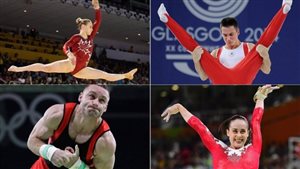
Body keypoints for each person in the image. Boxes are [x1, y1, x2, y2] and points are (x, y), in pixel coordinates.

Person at [158, 0, 293, 84]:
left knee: (262, 45)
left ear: (238, 32)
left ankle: (284, 9)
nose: (228, 38)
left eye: (231, 35)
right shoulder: (217, 52)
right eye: (225, 35)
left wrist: (265, 55)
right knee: (196, 50)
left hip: (243, 80)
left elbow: (266, 70)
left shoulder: (248, 47)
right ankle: (166, 19)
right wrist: (196, 61)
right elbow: (204, 77)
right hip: (221, 80)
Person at [8, 0, 137, 82]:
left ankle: (126, 75)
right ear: (83, 26)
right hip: (71, 64)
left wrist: (97, 8)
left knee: (105, 75)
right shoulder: (76, 37)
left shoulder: (91, 37)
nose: (92, 28)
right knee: (45, 68)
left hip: (82, 69)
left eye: (92, 27)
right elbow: (66, 46)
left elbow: (98, 21)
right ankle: (18, 69)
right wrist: (69, 54)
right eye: (90, 26)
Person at [161, 85, 280, 169]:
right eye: (235, 131)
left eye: (242, 131)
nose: (239, 135)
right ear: (228, 132)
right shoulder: (218, 148)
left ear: (248, 133)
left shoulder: (254, 148)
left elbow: (256, 121)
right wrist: (180, 108)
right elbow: (200, 128)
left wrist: (260, 98)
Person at [27, 85, 116, 169]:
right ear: (81, 97)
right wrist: (51, 152)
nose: (96, 103)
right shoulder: (57, 114)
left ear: (105, 108)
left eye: (102, 101)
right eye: (92, 96)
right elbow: (32, 140)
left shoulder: (106, 142)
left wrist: (76, 166)